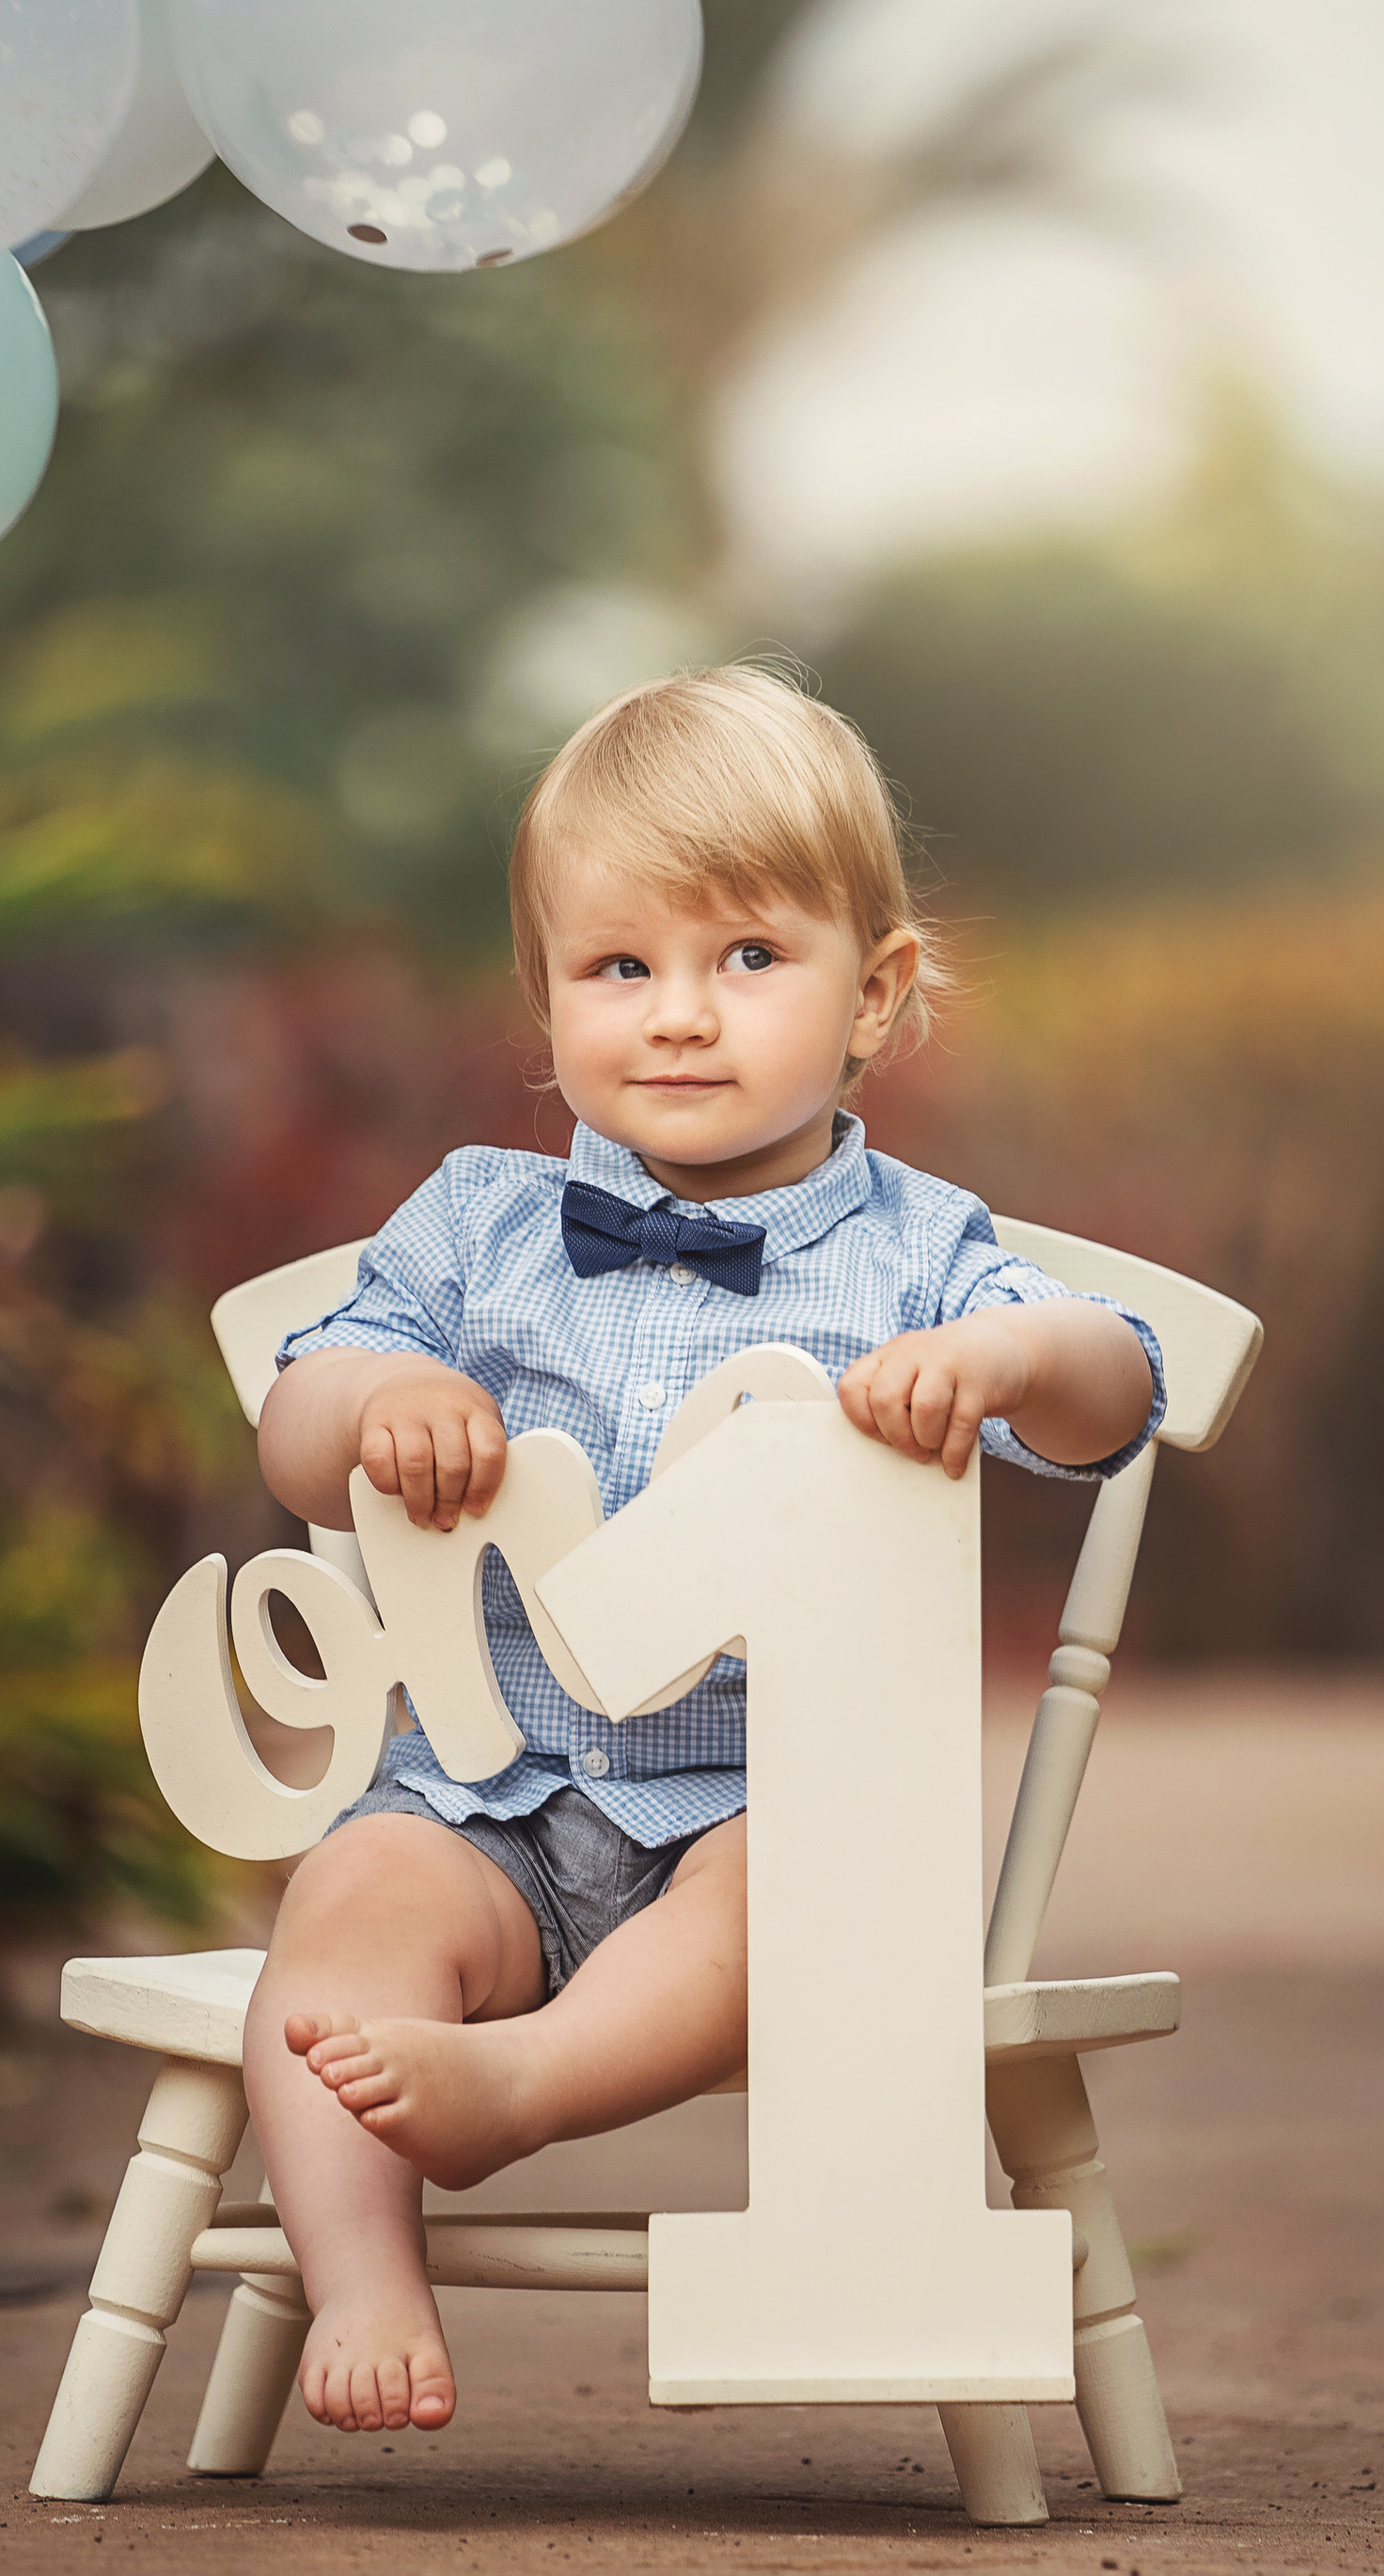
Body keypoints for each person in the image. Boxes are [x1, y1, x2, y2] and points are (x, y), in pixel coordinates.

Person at [248, 666, 1165, 2438]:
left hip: (763, 1810)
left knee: (797, 1897)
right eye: (619, 968)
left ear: (874, 993)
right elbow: (290, 1414)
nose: (680, 1016)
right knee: (339, 1919)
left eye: (747, 959)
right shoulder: (475, 1225)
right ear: (545, 995)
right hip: (486, 1794)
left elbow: (1113, 1390)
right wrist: (383, 1394)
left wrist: (1005, 1358)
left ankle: (513, 2090)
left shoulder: (919, 1254)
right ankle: (363, 2278)